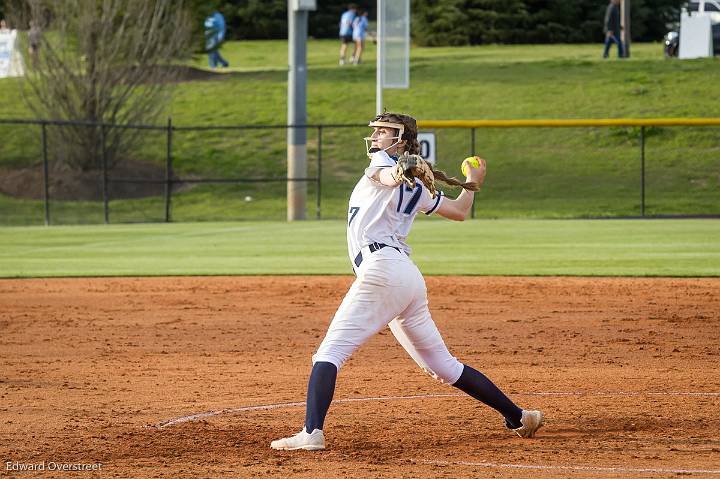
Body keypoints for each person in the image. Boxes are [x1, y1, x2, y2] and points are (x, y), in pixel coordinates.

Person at [270, 112, 544, 451]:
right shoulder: (411, 182)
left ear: (401, 141)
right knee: (443, 366)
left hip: (383, 270)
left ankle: (311, 433)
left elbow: (386, 176)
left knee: (329, 352)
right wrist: (472, 181)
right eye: (376, 131)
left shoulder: (382, 165)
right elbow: (459, 210)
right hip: (406, 278)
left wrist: (401, 171)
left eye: (384, 132)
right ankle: (519, 417)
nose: (376, 136)